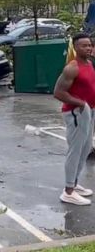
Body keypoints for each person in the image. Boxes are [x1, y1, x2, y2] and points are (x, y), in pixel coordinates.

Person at [54, 33, 95, 205]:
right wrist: (81, 104)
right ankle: (68, 191)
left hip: (89, 112)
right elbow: (58, 92)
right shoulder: (72, 67)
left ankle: (75, 184)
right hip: (76, 113)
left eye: (90, 45)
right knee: (75, 151)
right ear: (76, 48)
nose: (88, 48)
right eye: (84, 45)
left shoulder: (89, 63)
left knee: (85, 150)